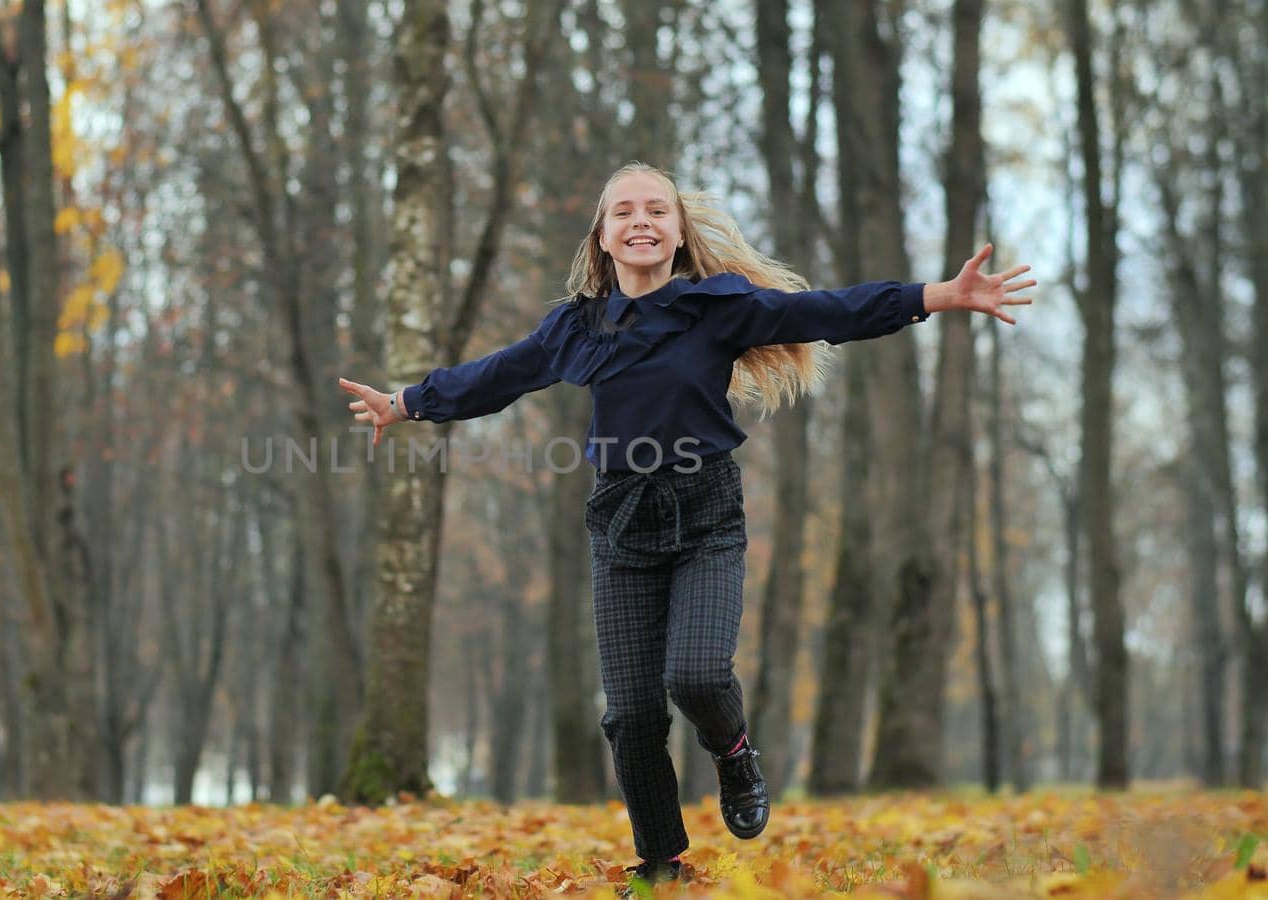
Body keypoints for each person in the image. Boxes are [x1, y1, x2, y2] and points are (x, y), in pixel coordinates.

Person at [337, 162, 1033, 886]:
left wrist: (936, 296)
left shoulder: (719, 308)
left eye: (656, 211)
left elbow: (828, 311)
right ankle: (662, 862)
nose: (641, 222)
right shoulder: (576, 328)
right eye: (624, 213)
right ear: (602, 237)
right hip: (620, 525)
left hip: (706, 516)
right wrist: (408, 401)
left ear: (678, 232)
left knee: (697, 674)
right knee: (632, 715)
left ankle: (734, 754)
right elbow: (499, 374)